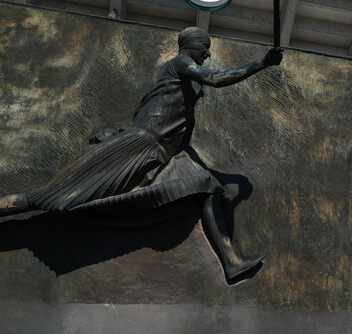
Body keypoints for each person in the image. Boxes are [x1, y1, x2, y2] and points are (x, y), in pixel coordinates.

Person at [0, 27, 284, 283]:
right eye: (204, 47)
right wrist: (261, 63)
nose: (208, 53)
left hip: (164, 154)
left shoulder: (186, 81)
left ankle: (232, 263)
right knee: (58, 195)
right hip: (139, 147)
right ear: (190, 47)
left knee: (211, 188)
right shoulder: (180, 63)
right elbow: (218, 79)